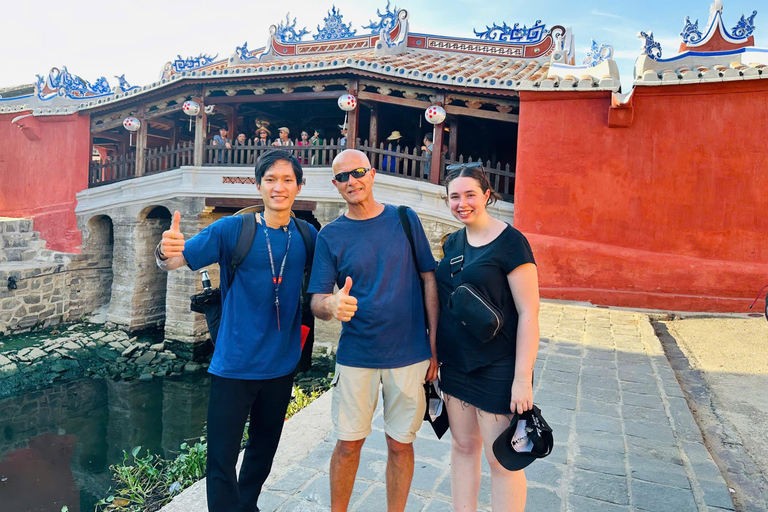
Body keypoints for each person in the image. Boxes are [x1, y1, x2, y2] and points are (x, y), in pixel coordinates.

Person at [156, 150, 318, 512]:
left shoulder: (307, 235)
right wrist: (164, 251)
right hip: (233, 365)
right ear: (258, 185)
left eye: (287, 180)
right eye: (270, 180)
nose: (279, 187)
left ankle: (248, 507)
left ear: (299, 186)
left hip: (281, 366)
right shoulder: (232, 229)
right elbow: (176, 260)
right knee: (221, 460)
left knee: (262, 452)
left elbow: (330, 277)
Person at [308, 149, 439, 512]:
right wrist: (332, 306)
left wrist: (434, 345)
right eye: (342, 177)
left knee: (400, 444)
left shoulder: (405, 219)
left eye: (358, 172)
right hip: (357, 355)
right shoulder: (330, 235)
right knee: (348, 444)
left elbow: (429, 279)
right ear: (335, 185)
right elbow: (316, 301)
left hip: (409, 353)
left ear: (372, 174)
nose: (351, 181)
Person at [435, 162, 540, 512]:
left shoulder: (512, 243)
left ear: (487, 195)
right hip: (456, 365)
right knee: (463, 447)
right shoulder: (453, 242)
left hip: (498, 366)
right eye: (454, 196)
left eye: (470, 194)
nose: (462, 203)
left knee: (502, 460)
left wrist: (522, 379)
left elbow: (529, 313)